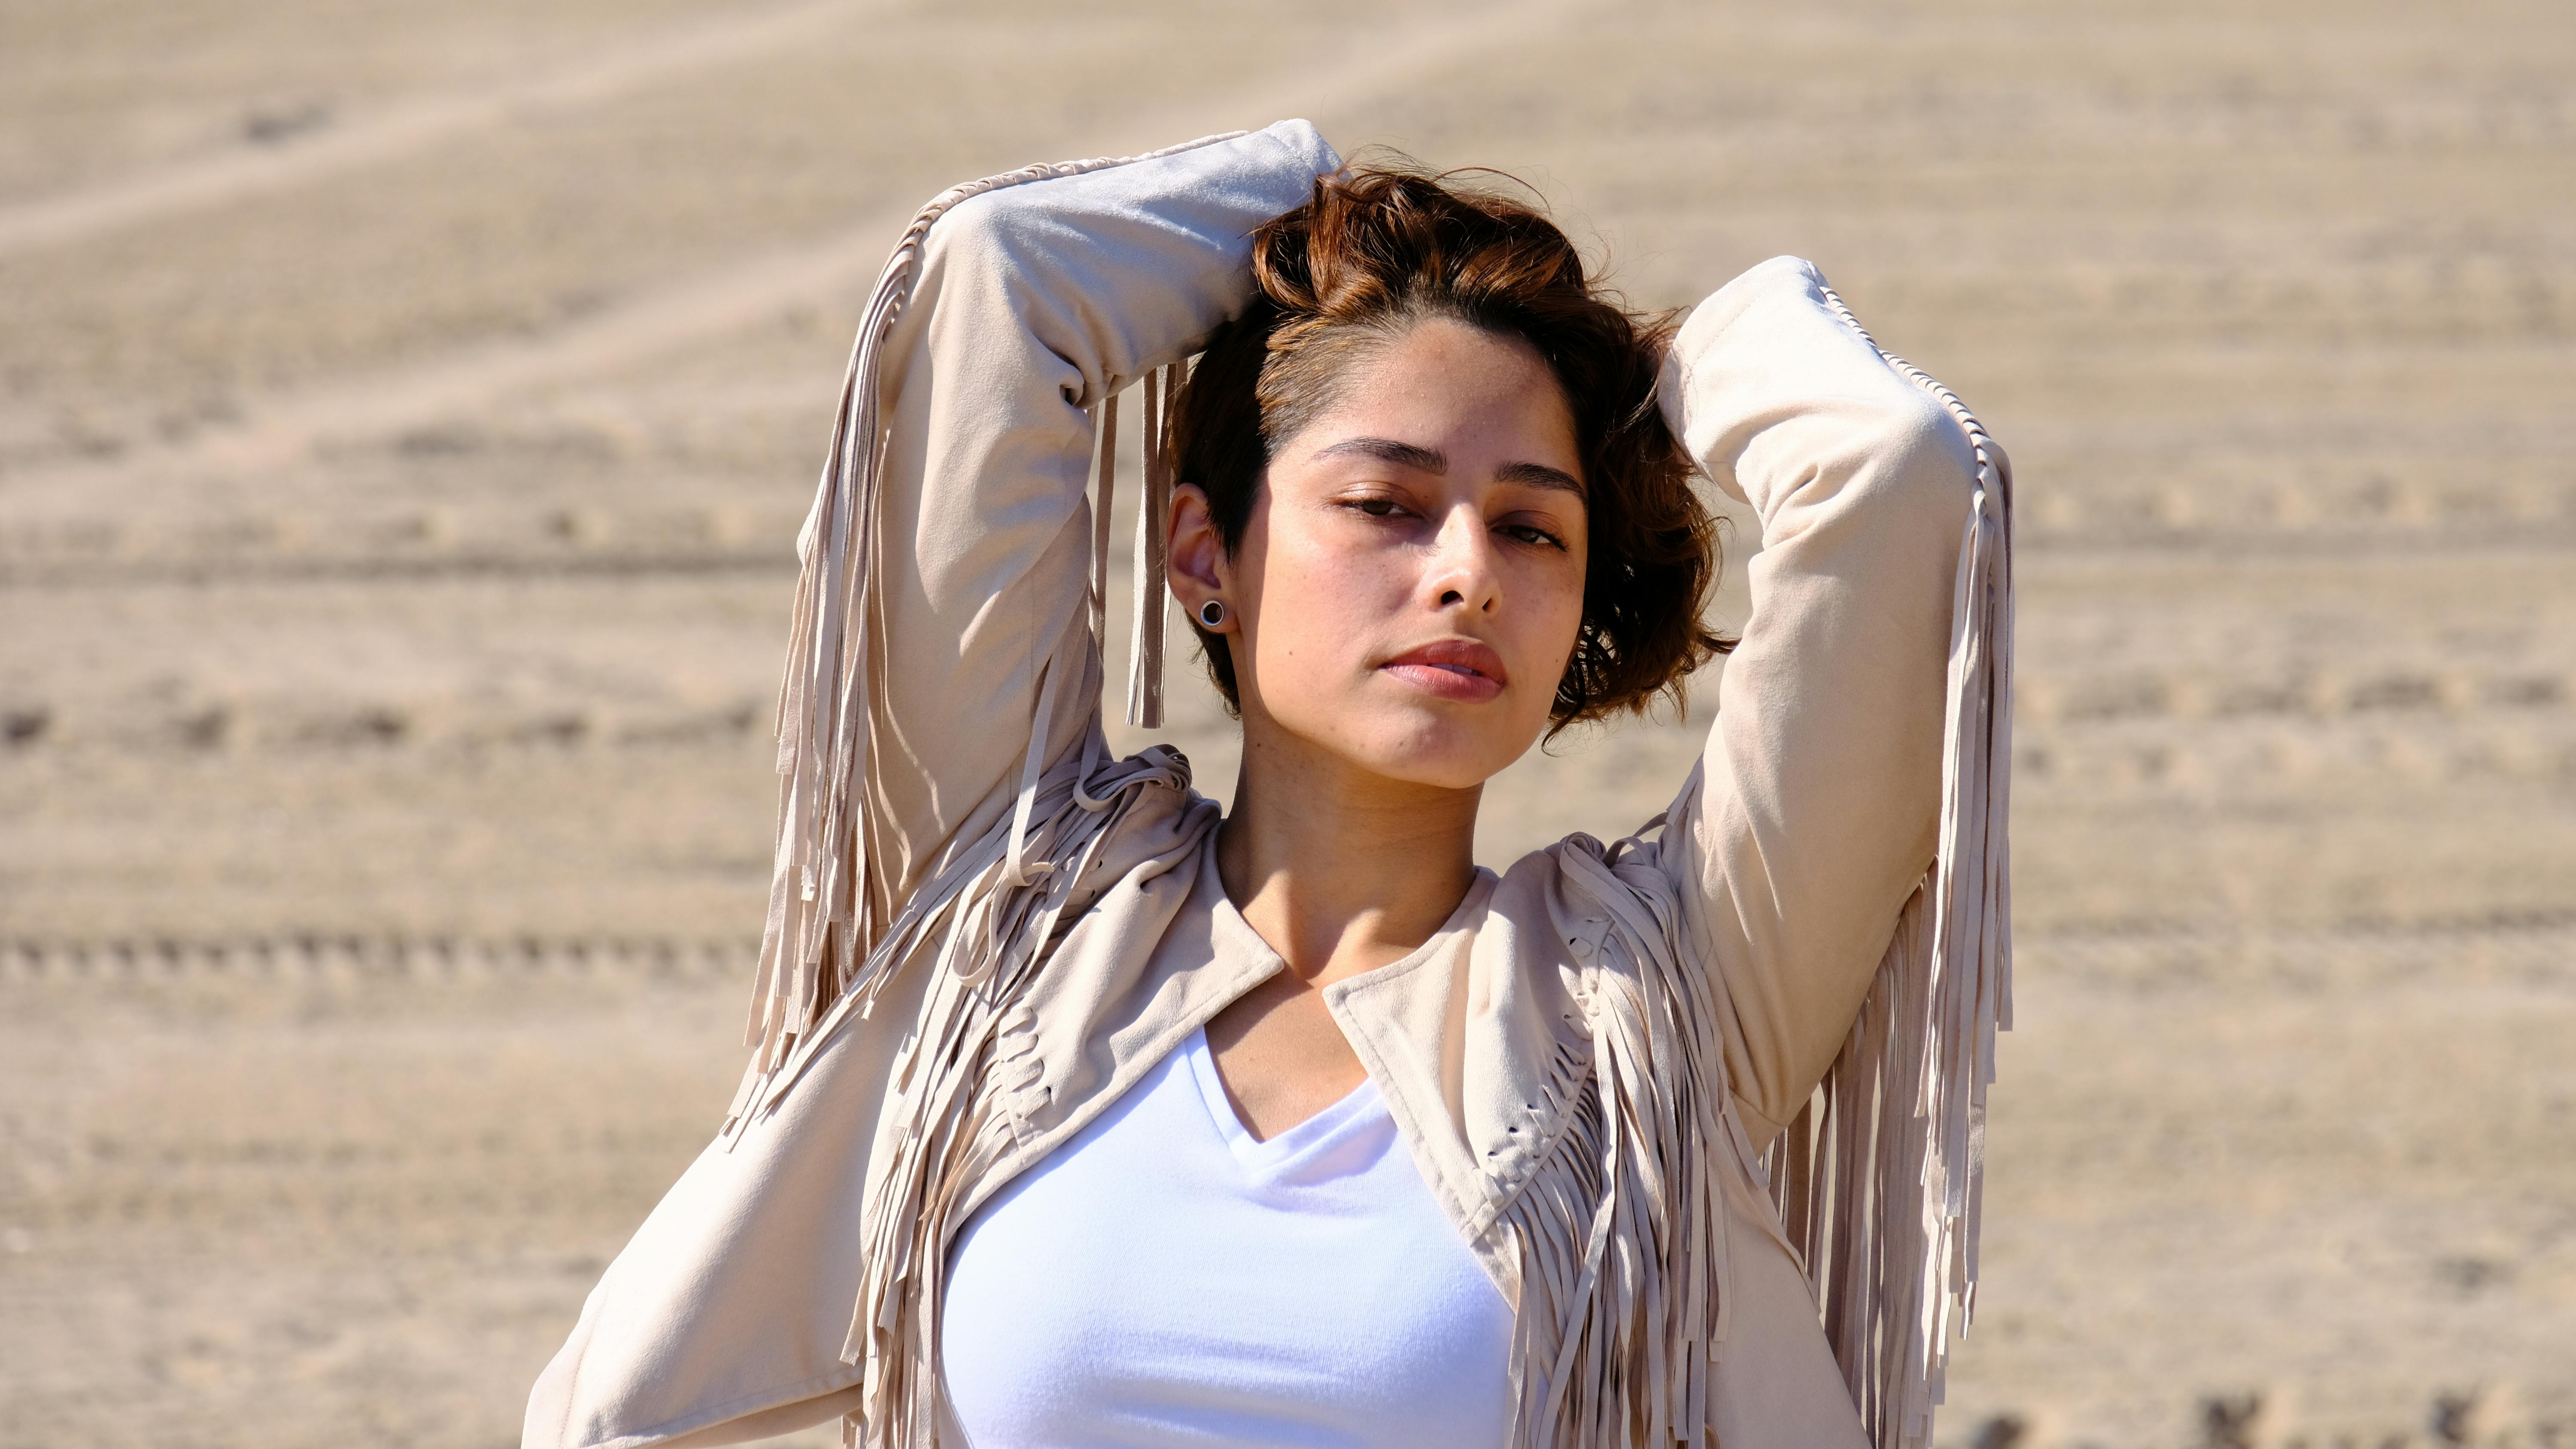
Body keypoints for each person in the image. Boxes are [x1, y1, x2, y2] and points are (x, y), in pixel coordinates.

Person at [525, 120, 2013, 1449]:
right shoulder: (1018, 918)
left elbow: (1893, 470)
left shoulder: (1658, 1008)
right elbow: (1002, 278)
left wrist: (1664, 359)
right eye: (1385, 504)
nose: (1463, 576)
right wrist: (1322, 201)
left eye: (1534, 531)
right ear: (1203, 556)